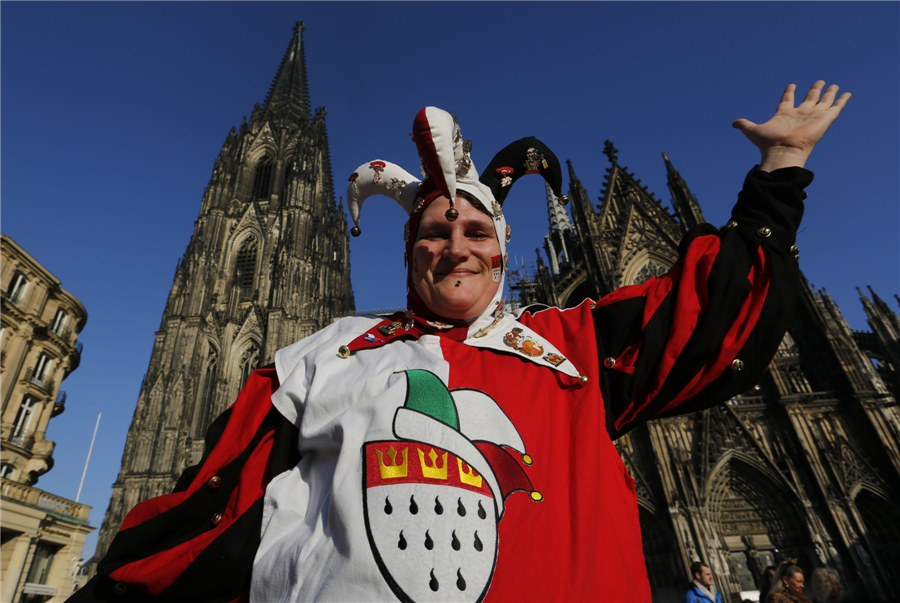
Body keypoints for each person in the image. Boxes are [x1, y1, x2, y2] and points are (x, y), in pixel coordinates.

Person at [71, 81, 850, 602]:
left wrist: (780, 172)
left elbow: (712, 318)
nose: (456, 246)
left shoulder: (569, 342)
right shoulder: (322, 356)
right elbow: (209, 509)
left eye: (476, 230)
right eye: (436, 231)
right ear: (410, 250)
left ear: (502, 251)